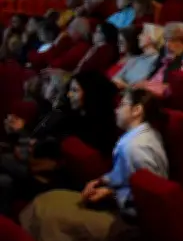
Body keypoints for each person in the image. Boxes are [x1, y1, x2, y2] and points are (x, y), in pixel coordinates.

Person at [20, 88, 168, 241]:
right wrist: (101, 181)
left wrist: (110, 194)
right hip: (119, 206)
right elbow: (126, 177)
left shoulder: (135, 148)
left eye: (122, 105)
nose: (116, 110)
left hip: (128, 224)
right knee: (48, 200)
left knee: (51, 218)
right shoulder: (140, 136)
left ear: (137, 110)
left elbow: (147, 202)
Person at [1, 71, 118, 216]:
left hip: (51, 179)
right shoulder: (70, 115)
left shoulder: (95, 130)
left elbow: (38, 153)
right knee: (4, 182)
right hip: (38, 167)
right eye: (69, 89)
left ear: (91, 94)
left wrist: (22, 132)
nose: (69, 95)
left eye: (75, 90)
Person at [140, 22, 183, 97]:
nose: (166, 44)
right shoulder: (169, 54)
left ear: (179, 40)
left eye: (168, 40)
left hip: (162, 97)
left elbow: (180, 88)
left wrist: (147, 88)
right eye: (165, 40)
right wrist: (145, 84)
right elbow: (156, 74)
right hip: (151, 91)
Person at [114, 24, 163, 89]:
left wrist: (124, 85)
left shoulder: (156, 60)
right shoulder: (135, 58)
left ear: (152, 38)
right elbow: (116, 78)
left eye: (143, 34)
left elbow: (139, 86)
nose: (138, 37)